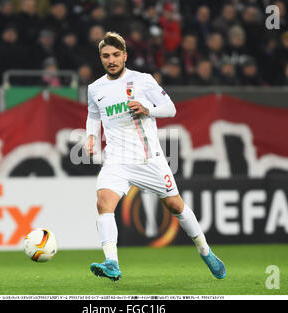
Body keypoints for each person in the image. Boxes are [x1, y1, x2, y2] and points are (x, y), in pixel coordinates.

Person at [84, 31, 226, 281]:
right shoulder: (95, 88)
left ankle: (205, 250)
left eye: (116, 55)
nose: (112, 60)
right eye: (106, 56)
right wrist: (91, 136)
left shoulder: (143, 80)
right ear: (101, 58)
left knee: (175, 205)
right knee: (103, 203)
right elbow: (94, 115)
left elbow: (170, 108)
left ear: (125, 56)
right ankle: (112, 262)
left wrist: (147, 109)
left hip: (148, 158)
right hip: (117, 159)